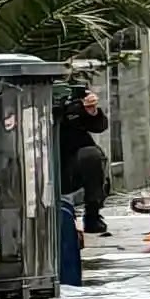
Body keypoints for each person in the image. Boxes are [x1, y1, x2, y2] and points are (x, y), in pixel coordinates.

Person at [59, 86, 111, 235]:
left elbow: (99, 125)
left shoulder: (72, 96)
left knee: (92, 155)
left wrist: (90, 111)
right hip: (41, 162)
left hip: (72, 165)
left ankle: (93, 215)